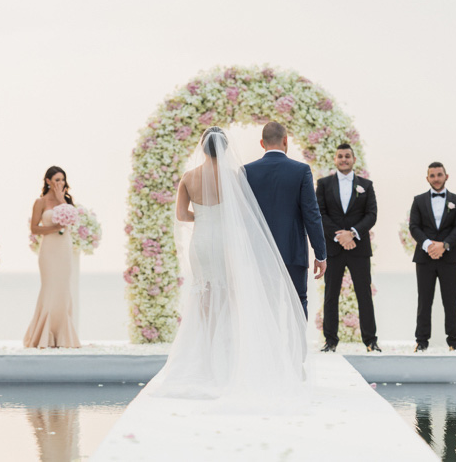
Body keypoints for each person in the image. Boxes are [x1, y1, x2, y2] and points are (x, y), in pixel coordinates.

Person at [149, 127, 309, 400]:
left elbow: (180, 215)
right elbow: (244, 214)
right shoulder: (233, 177)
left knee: (204, 297)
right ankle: (228, 358)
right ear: (225, 149)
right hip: (225, 243)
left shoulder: (188, 177)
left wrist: (203, 216)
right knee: (230, 297)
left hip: (200, 243)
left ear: (202, 147)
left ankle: (207, 356)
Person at [244, 121, 327, 319]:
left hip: (259, 254)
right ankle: (296, 349)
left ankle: (268, 349)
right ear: (285, 141)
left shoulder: (246, 171)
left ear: (262, 143)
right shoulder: (301, 171)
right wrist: (320, 254)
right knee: (298, 302)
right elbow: (312, 215)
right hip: (293, 251)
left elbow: (243, 217)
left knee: (264, 304)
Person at [316, 144, 381, 353]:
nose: (344, 159)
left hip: (358, 247)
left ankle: (371, 341)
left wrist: (352, 233)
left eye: (347, 156)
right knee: (330, 295)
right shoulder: (324, 184)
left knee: (364, 294)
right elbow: (320, 213)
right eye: (340, 156)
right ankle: (330, 341)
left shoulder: (366, 186)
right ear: (335, 160)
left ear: (354, 160)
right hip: (334, 249)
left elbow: (371, 215)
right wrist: (340, 236)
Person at [409, 162, 456, 352]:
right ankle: (422, 341)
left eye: (439, 175)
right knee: (424, 300)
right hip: (425, 258)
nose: (436, 178)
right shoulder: (418, 200)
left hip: (449, 258)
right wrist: (429, 245)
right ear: (427, 179)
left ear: (446, 176)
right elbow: (414, 227)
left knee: (450, 300)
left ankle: (454, 342)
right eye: (432, 176)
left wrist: (444, 245)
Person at [24, 166, 81, 348]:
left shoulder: (66, 201)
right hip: (49, 249)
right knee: (49, 286)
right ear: (48, 181)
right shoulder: (40, 202)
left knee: (63, 287)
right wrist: (54, 229)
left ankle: (63, 335)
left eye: (63, 180)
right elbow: (34, 228)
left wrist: (61, 200)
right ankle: (44, 334)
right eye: (57, 180)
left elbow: (73, 223)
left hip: (64, 248)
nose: (60, 183)